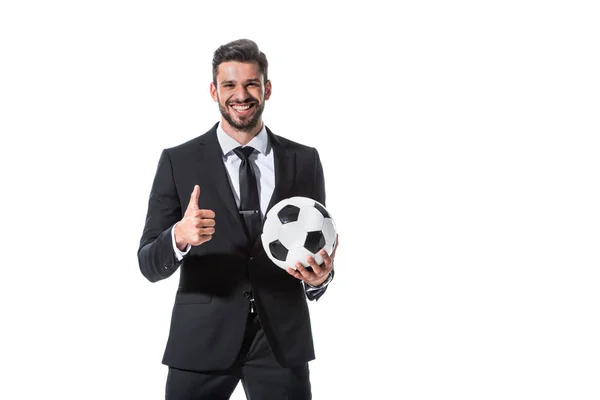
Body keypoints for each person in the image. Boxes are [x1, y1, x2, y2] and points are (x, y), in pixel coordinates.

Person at [138, 39, 338, 400]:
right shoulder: (177, 161)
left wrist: (319, 280)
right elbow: (148, 263)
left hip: (279, 343)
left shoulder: (304, 160)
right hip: (201, 339)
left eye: (251, 84)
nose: (241, 95)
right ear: (214, 90)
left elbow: (314, 247)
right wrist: (178, 237)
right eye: (229, 85)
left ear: (267, 89)